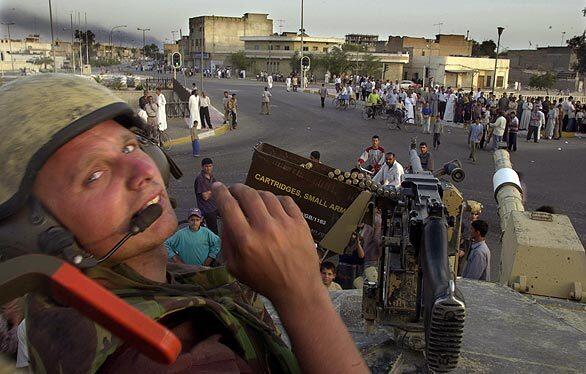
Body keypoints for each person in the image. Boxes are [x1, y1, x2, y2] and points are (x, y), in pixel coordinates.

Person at [0, 74, 368, 373]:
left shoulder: (68, 303)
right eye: (94, 175)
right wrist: (302, 294)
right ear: (34, 235)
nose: (143, 171)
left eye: (130, 147)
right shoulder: (181, 358)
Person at [194, 158, 219, 235]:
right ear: (202, 167)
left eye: (210, 166)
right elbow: (205, 196)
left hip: (214, 206)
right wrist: (214, 189)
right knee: (213, 230)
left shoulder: (211, 176)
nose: (208, 168)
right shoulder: (200, 179)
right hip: (207, 209)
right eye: (206, 166)